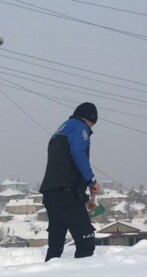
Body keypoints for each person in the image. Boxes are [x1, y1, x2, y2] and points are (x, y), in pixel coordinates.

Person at [39, 102, 101, 261]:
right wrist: (91, 181)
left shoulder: (61, 130)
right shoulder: (79, 128)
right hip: (67, 194)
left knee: (56, 246)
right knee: (86, 241)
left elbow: (64, 168)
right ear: (88, 119)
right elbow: (77, 153)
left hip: (51, 194)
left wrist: (85, 198)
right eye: (91, 125)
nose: (90, 129)